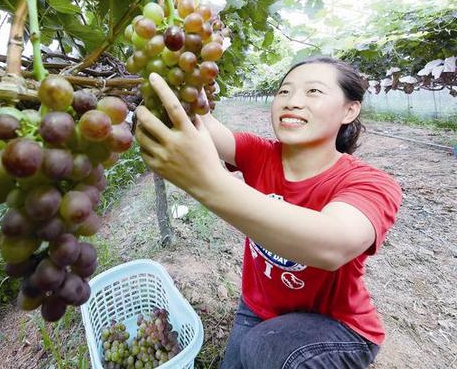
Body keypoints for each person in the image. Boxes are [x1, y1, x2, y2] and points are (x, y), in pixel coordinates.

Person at [134, 57, 402, 369]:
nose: (293, 102)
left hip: (336, 325)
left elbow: (333, 244)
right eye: (284, 92)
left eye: (313, 91)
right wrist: (181, 79)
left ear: (350, 109)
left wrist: (207, 183)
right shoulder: (258, 153)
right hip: (258, 307)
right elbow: (203, 123)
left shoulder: (370, 183)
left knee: (266, 349)